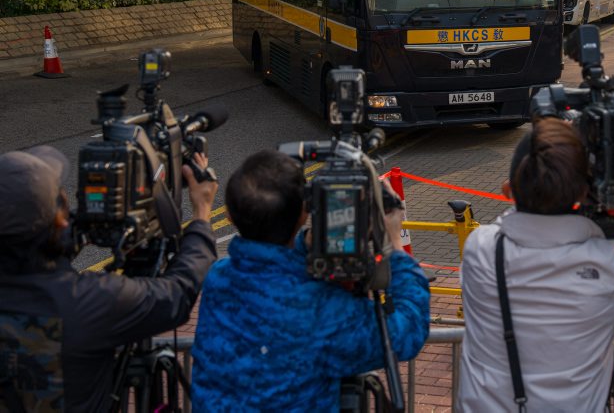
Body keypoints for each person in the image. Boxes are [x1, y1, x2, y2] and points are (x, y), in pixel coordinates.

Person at [458, 118, 614, 412]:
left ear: (508, 191)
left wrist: (552, 161)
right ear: (584, 193)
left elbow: (508, 224)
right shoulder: (611, 266)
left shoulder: (480, 249)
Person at [191, 149, 430, 411]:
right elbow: (408, 331)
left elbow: (271, 261)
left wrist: (308, 245)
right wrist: (394, 243)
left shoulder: (218, 278)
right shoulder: (321, 309)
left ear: (229, 216)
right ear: (304, 213)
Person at [0, 146, 218, 412]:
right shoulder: (89, 302)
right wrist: (202, 214)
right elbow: (177, 293)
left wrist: (78, 229)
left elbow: (29, 254)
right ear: (59, 222)